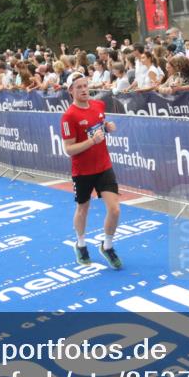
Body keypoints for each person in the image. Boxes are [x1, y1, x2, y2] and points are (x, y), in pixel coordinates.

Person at [60, 72, 122, 270]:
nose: (84, 90)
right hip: (82, 171)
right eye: (79, 87)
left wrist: (108, 126)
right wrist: (91, 141)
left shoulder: (99, 106)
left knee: (115, 209)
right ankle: (80, 243)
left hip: (104, 165)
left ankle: (108, 246)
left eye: (85, 85)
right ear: (71, 91)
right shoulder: (69, 116)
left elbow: (101, 124)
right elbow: (69, 149)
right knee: (83, 209)